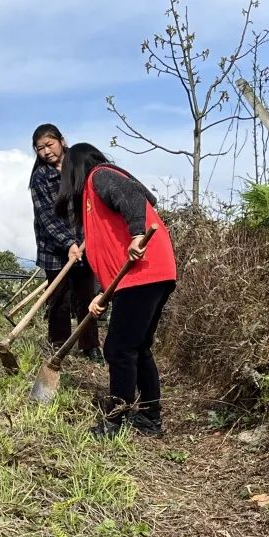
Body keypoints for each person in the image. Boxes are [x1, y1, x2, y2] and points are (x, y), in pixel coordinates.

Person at [54, 143, 177, 438]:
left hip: (143, 273)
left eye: (63, 168)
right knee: (137, 347)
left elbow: (134, 194)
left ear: (75, 166)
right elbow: (109, 252)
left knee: (118, 349)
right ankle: (149, 417)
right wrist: (103, 293)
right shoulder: (90, 202)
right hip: (145, 275)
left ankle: (115, 420)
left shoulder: (100, 175)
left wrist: (137, 233)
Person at [29, 124, 101, 361]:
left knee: (86, 297)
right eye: (40, 148)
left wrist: (84, 239)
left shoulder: (79, 165)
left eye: (50, 145)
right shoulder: (40, 177)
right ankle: (59, 346)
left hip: (85, 243)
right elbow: (46, 216)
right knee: (59, 299)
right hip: (54, 248)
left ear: (62, 140)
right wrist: (67, 242)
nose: (46, 151)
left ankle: (90, 346)